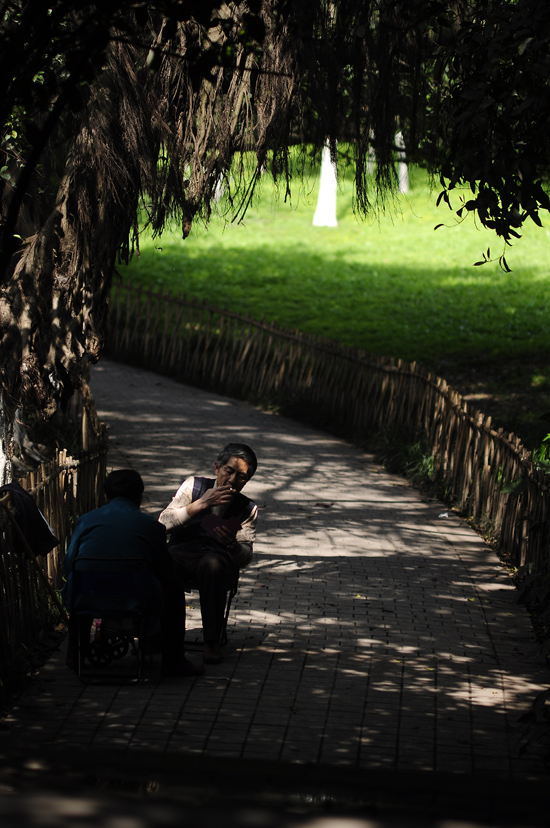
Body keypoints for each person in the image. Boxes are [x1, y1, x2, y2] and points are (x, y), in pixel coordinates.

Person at [62, 469, 203, 677]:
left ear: (106, 495)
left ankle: (74, 654)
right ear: (139, 496)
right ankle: (174, 660)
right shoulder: (151, 526)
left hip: (87, 598)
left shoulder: (85, 521)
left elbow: (69, 564)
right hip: (135, 599)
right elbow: (165, 569)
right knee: (173, 586)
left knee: (81, 583)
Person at [159, 443, 258, 664]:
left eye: (241, 477)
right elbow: (163, 523)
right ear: (217, 468)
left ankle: (211, 641)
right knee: (162, 564)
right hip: (181, 553)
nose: (232, 481)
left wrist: (232, 545)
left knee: (212, 566)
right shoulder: (194, 486)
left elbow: (246, 557)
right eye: (229, 471)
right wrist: (201, 504)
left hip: (216, 561)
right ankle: (160, 635)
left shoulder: (247, 508)